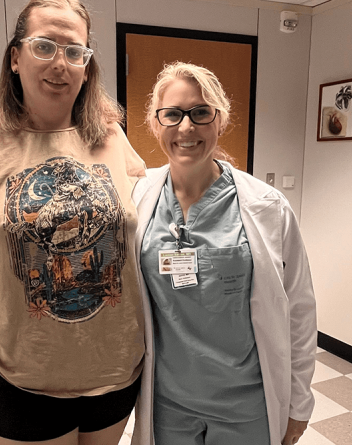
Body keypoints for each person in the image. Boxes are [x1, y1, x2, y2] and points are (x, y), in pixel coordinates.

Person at [0, 1, 147, 444]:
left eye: (74, 52)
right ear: (15, 57)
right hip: (20, 379)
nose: (59, 64)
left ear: (87, 67)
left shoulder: (111, 138)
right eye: (43, 46)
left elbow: (143, 237)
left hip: (116, 371)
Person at [131, 62, 317, 445]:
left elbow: (298, 309)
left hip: (246, 404)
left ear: (220, 120)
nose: (186, 128)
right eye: (173, 114)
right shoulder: (135, 195)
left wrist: (299, 403)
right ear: (155, 123)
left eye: (201, 113)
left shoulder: (269, 206)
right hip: (166, 403)